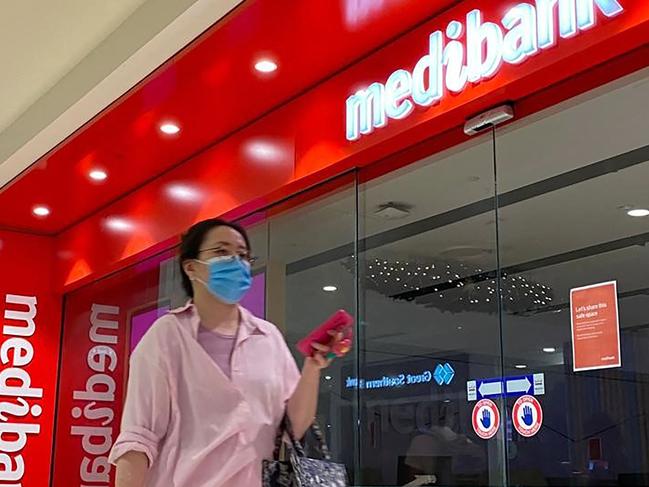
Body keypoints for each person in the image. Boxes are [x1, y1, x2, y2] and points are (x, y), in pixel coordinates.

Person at [109, 218, 345, 487]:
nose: (236, 261)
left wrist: (312, 368)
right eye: (222, 251)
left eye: (243, 255)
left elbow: (294, 427)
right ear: (191, 267)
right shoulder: (167, 336)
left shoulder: (267, 338)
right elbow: (139, 437)